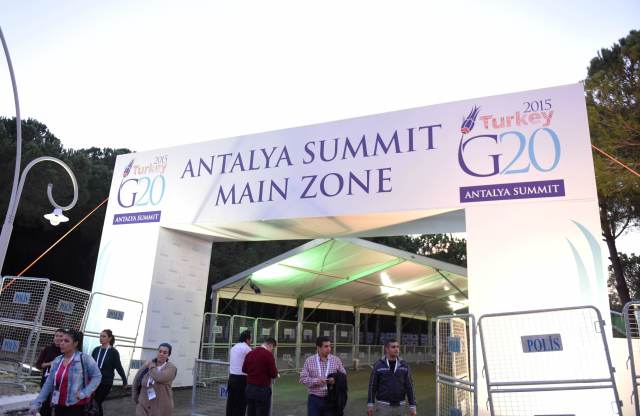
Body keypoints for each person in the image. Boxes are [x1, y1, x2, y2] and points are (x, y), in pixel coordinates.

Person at [30, 329, 102, 416]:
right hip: (58, 404)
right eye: (61, 341)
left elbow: (97, 376)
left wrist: (85, 392)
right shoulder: (57, 360)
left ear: (75, 343)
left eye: (66, 341)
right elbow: (49, 383)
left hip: (76, 405)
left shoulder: (85, 359)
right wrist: (37, 402)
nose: (62, 343)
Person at [367, 339, 416, 416]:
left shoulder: (404, 365)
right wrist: (370, 403)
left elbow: (409, 386)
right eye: (393, 347)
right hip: (383, 405)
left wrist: (412, 405)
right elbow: (372, 386)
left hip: (400, 405)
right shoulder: (378, 365)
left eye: (397, 347)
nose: (396, 349)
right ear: (386, 349)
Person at [300, 336, 347, 416]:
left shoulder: (336, 360)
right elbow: (302, 379)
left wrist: (335, 379)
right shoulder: (309, 361)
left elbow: (343, 375)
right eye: (326, 346)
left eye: (330, 346)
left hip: (331, 398)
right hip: (314, 399)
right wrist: (316, 381)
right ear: (318, 348)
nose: (329, 349)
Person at [132, 342, 177, 416]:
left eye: (165, 352)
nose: (161, 354)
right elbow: (137, 380)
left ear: (168, 355)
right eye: (160, 351)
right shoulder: (147, 365)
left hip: (160, 407)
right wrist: (136, 397)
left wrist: (151, 366)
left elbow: (159, 377)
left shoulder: (171, 368)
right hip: (143, 404)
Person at [91, 329, 129, 416]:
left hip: (106, 382)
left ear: (109, 338)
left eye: (104, 336)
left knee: (96, 401)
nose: (101, 338)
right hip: (94, 381)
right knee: (95, 403)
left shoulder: (113, 352)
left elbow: (119, 367)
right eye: (100, 336)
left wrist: (124, 381)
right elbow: (90, 365)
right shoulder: (96, 350)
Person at [242, 337, 278, 416]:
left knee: (251, 412)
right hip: (262, 389)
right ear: (270, 345)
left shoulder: (250, 353)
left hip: (250, 388)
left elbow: (244, 369)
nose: (272, 350)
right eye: (272, 348)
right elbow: (273, 374)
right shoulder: (268, 355)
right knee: (262, 412)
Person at [34, 328, 65, 416]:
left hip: (60, 385)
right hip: (47, 382)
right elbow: (39, 365)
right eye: (56, 336)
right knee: (45, 406)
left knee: (58, 408)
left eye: (61, 336)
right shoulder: (48, 349)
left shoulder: (66, 351)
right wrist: (50, 363)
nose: (58, 338)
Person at [226, 330, 252, 416]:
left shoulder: (234, 347)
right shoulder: (247, 348)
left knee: (231, 402)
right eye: (250, 339)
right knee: (241, 403)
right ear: (247, 339)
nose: (251, 341)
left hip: (231, 378)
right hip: (241, 379)